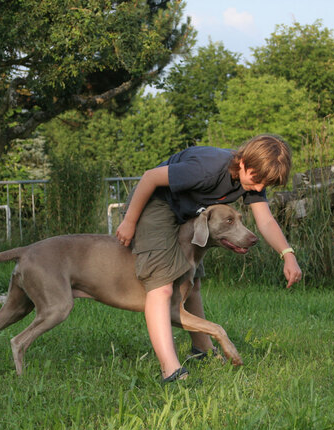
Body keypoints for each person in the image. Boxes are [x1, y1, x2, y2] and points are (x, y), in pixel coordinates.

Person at [116, 134, 302, 382]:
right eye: (257, 180)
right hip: (156, 203)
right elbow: (150, 177)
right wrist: (129, 220)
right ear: (244, 161)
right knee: (161, 287)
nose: (258, 188)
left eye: (265, 185)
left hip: (186, 214)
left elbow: (266, 220)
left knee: (192, 283)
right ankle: (170, 369)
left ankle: (201, 349)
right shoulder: (208, 169)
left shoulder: (251, 179)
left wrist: (287, 254)